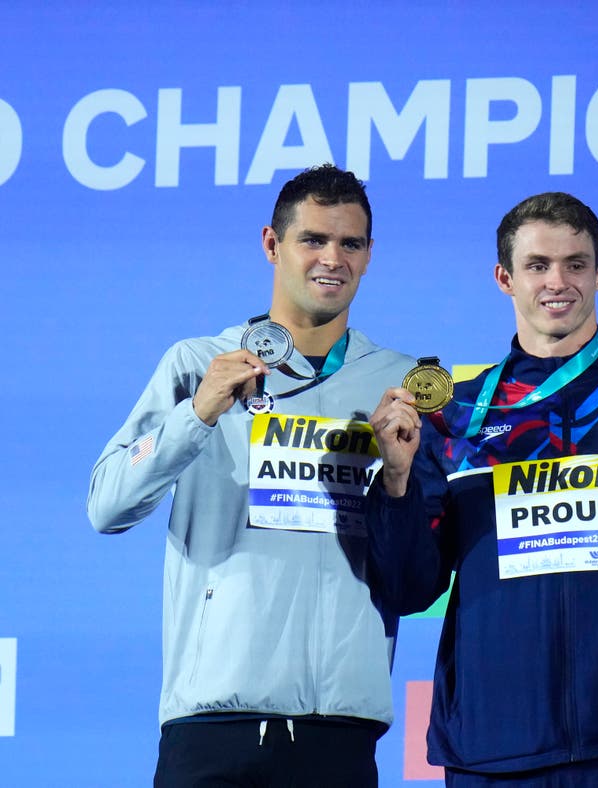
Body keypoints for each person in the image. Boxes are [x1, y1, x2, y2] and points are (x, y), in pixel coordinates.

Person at [87, 164, 415, 787]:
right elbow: (106, 504)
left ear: (370, 255)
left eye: (351, 244)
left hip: (340, 730)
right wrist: (198, 414)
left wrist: (397, 481)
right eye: (313, 239)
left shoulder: (397, 384)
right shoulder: (197, 363)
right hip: (212, 729)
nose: (332, 259)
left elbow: (415, 568)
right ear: (272, 244)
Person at [365, 192, 598, 786]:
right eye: (537, 265)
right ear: (504, 278)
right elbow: (409, 587)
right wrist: (394, 480)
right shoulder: (458, 415)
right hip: (491, 750)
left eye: (576, 263)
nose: (559, 281)